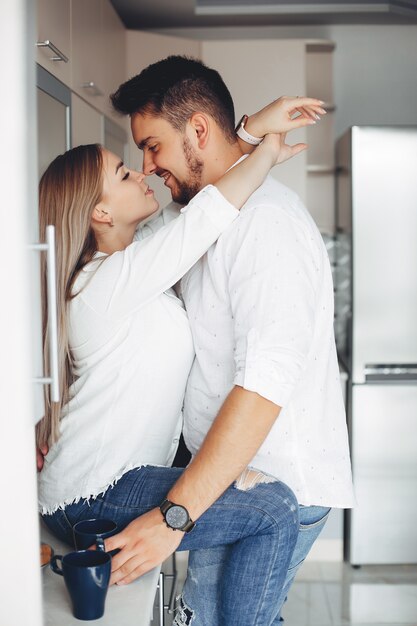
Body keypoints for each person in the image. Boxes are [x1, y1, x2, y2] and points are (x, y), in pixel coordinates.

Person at [37, 99, 322, 626]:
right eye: (124, 172)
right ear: (100, 212)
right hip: (95, 492)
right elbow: (207, 216)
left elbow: (192, 205)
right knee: (276, 510)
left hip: (110, 479)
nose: (143, 171)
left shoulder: (129, 263)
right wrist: (264, 154)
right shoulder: (104, 282)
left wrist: (250, 133)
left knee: (268, 512)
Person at [108, 55, 355, 624]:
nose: (145, 167)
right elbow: (148, 245)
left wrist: (175, 515)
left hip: (269, 482)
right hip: (229, 478)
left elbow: (262, 388)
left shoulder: (266, 225)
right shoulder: (206, 215)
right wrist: (243, 137)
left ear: (197, 130)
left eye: (152, 146)